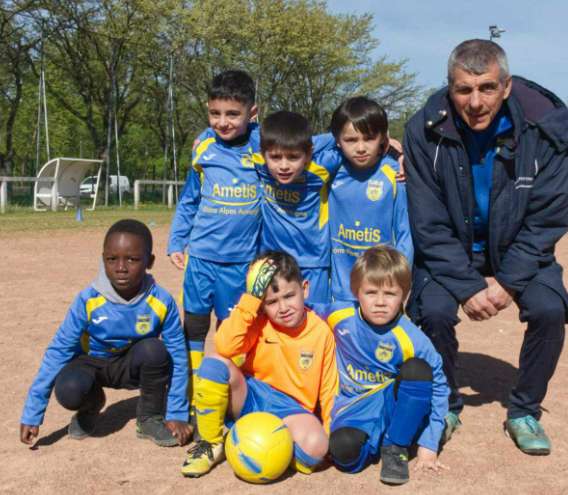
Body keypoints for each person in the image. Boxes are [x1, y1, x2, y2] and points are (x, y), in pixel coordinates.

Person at [403, 39, 568, 455]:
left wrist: (508, 284)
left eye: (487, 88)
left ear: (506, 86)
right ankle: (443, 406)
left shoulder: (545, 127)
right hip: (452, 248)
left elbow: (548, 219)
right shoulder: (423, 130)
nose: (476, 101)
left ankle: (524, 411)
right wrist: (467, 287)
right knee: (434, 311)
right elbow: (427, 222)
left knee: (550, 308)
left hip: (518, 246)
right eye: (464, 89)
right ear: (450, 88)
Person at [20, 220, 192, 448]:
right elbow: (58, 351)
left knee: (156, 350)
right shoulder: (88, 300)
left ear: (149, 262)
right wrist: (33, 413)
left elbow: (178, 356)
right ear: (103, 259)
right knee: (69, 389)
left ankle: (149, 418)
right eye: (112, 259)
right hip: (91, 365)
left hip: (132, 367)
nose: (121, 267)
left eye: (132, 259)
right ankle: (90, 407)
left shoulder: (161, 301)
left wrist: (177, 412)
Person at [181, 251, 337, 478]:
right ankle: (212, 444)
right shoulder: (258, 322)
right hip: (251, 396)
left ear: (304, 289)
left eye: (289, 296)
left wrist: (329, 432)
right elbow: (225, 346)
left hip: (292, 410)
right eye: (271, 302)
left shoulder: (321, 332)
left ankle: (251, 442)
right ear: (261, 304)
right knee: (214, 364)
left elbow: (329, 390)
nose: (283, 307)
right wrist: (250, 301)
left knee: (317, 447)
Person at [167, 70, 262, 426]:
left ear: (252, 114)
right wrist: (177, 239)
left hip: (240, 264)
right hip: (201, 259)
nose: (222, 122)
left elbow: (305, 139)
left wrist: (385, 143)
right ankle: (193, 390)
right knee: (194, 325)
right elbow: (189, 200)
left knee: (230, 331)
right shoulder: (204, 148)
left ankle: (228, 390)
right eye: (215, 113)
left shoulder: (263, 147)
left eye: (232, 114)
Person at [309, 246, 449, 485]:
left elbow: (438, 389)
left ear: (404, 294)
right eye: (371, 292)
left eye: (390, 293)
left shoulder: (413, 339)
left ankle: (396, 446)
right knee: (343, 453)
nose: (380, 302)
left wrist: (429, 444)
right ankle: (377, 439)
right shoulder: (340, 315)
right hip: (353, 406)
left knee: (418, 370)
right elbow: (306, 310)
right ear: (355, 292)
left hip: (391, 405)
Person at [328, 96, 413, 302]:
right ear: (337, 139)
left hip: (382, 290)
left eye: (369, 138)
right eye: (350, 140)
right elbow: (294, 142)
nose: (360, 147)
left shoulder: (395, 174)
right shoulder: (328, 171)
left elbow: (404, 233)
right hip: (339, 290)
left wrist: (398, 279)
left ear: (383, 138)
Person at [254, 111, 345, 303]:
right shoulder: (260, 164)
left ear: (309, 154)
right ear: (263, 153)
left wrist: (386, 144)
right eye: (276, 157)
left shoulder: (319, 169)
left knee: (316, 320)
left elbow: (343, 139)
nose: (284, 166)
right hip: (271, 262)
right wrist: (206, 136)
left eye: (294, 157)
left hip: (313, 263)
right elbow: (232, 130)